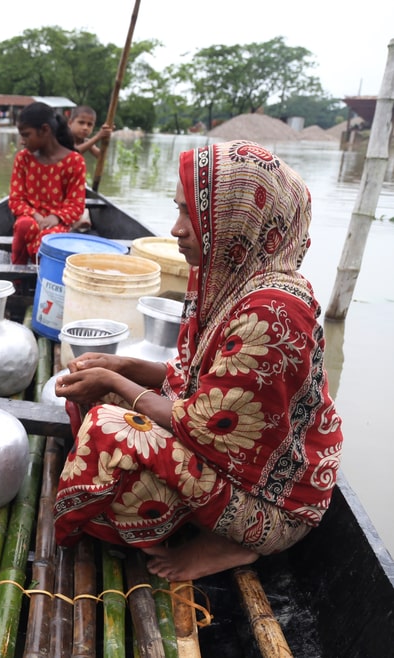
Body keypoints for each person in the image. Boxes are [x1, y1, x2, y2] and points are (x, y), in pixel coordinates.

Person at [52, 140, 344, 582]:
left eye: (192, 214)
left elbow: (203, 423)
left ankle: (234, 544)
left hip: (273, 507)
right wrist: (122, 368)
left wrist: (123, 384)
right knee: (102, 389)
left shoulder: (272, 313)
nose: (176, 229)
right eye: (179, 210)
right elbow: (195, 381)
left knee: (109, 426)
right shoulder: (231, 279)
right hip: (228, 460)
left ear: (239, 217)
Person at [8, 102, 87, 264]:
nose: (23, 141)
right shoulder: (23, 159)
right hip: (30, 217)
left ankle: (41, 277)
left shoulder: (75, 161)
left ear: (44, 130)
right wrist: (35, 215)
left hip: (57, 223)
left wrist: (56, 217)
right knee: (24, 225)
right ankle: (17, 276)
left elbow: (76, 205)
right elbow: (16, 200)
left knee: (48, 239)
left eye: (26, 135)